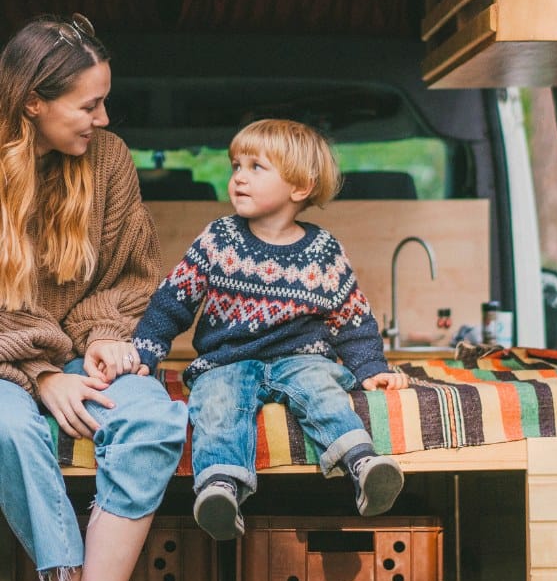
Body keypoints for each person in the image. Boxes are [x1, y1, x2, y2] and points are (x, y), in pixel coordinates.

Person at [0, 14, 188, 581]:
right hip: (13, 361)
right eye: (89, 104)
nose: (105, 119)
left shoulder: (108, 160)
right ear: (33, 103)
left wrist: (111, 335)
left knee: (153, 421)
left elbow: (131, 276)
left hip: (81, 348)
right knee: (11, 431)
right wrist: (41, 375)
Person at [133, 118, 409, 540]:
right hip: (227, 360)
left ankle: (362, 463)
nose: (238, 177)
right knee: (217, 402)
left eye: (256, 168)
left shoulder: (323, 251)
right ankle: (220, 488)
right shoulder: (218, 239)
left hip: (301, 359)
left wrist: (371, 367)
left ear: (299, 187)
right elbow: (173, 302)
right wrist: (145, 352)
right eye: (235, 166)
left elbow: (352, 319)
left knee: (322, 390)